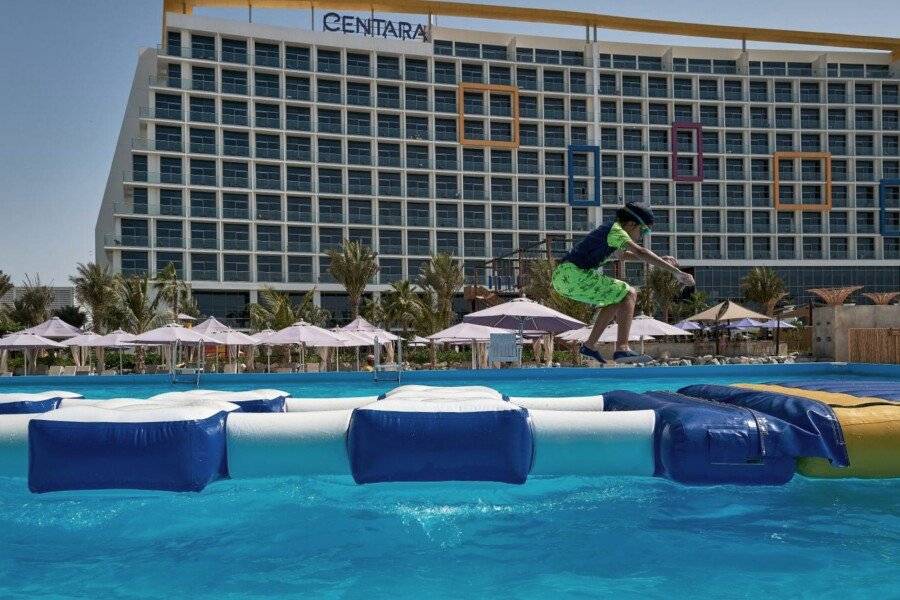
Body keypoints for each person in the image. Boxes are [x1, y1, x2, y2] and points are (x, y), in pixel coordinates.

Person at [552, 201, 694, 364]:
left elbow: (622, 255)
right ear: (632, 224)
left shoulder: (612, 231)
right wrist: (676, 272)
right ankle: (622, 348)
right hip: (573, 274)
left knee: (616, 297)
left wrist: (661, 260)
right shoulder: (616, 230)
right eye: (644, 230)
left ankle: (590, 346)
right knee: (629, 292)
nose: (642, 235)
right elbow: (640, 251)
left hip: (563, 278)